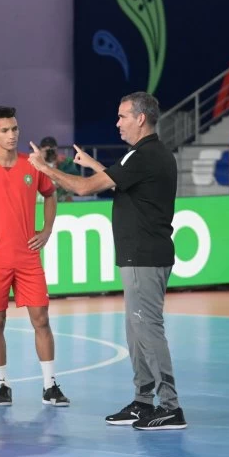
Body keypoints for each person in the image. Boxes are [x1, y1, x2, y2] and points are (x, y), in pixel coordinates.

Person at [28, 91, 186, 431]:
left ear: (140, 118)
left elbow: (84, 189)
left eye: (122, 116)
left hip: (145, 257)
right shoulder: (147, 156)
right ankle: (144, 401)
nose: (117, 123)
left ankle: (170, 407)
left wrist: (45, 168)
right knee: (136, 331)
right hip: (139, 256)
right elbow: (120, 181)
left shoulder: (143, 156)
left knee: (148, 329)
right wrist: (95, 165)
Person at [0, 107, 70, 408]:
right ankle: (2, 385)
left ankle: (50, 386)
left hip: (28, 257)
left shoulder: (33, 165)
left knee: (41, 319)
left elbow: (50, 195)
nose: (12, 135)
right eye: (5, 130)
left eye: (15, 129)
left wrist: (47, 230)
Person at [38, 136, 79, 202]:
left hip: (61, 200)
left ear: (56, 149)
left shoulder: (66, 162)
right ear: (40, 149)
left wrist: (59, 165)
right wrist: (42, 161)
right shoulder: (36, 163)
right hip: (40, 202)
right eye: (45, 148)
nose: (49, 151)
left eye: (51, 148)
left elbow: (75, 179)